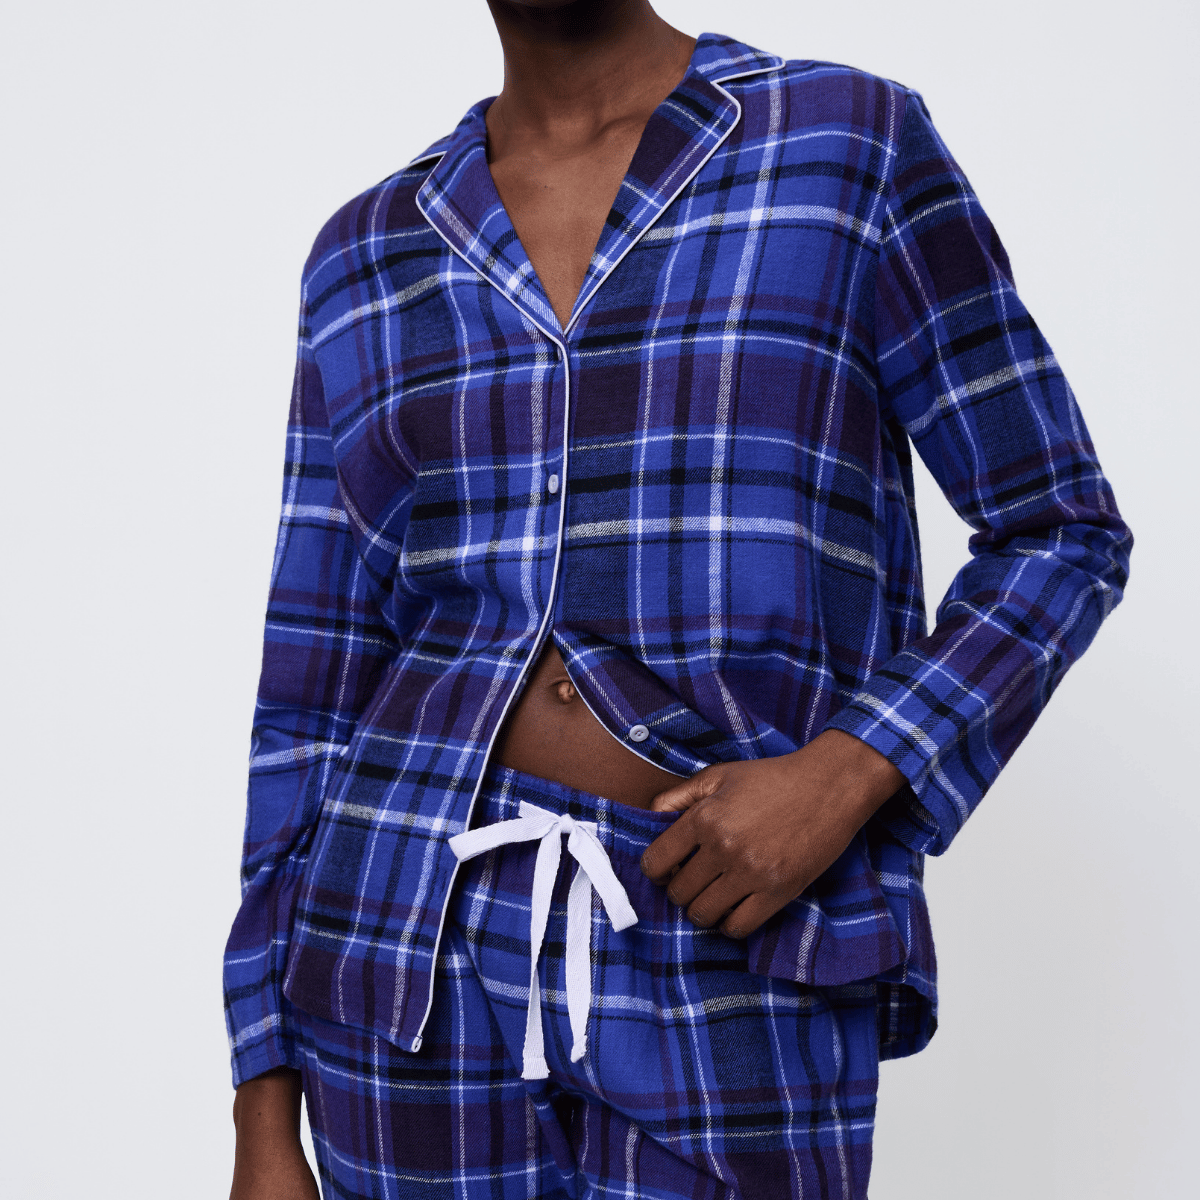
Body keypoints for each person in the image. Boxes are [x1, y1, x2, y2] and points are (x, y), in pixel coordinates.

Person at [224, 2, 1133, 1197]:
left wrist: (851, 768)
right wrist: (261, 1108)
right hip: (401, 959)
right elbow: (312, 690)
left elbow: (1060, 528)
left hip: (731, 937)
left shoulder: (842, 145)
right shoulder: (367, 254)